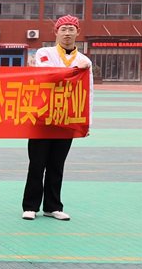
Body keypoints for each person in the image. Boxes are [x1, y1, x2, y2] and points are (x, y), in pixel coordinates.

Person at [22, 15, 92, 221]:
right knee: (37, 164)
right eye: (63, 29)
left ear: (78, 32)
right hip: (42, 118)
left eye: (71, 29)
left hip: (66, 119)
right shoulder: (44, 53)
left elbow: (89, 92)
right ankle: (30, 206)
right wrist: (74, 72)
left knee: (57, 165)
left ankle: (53, 206)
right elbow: (47, 75)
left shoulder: (85, 61)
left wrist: (87, 122)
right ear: (56, 32)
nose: (67, 33)